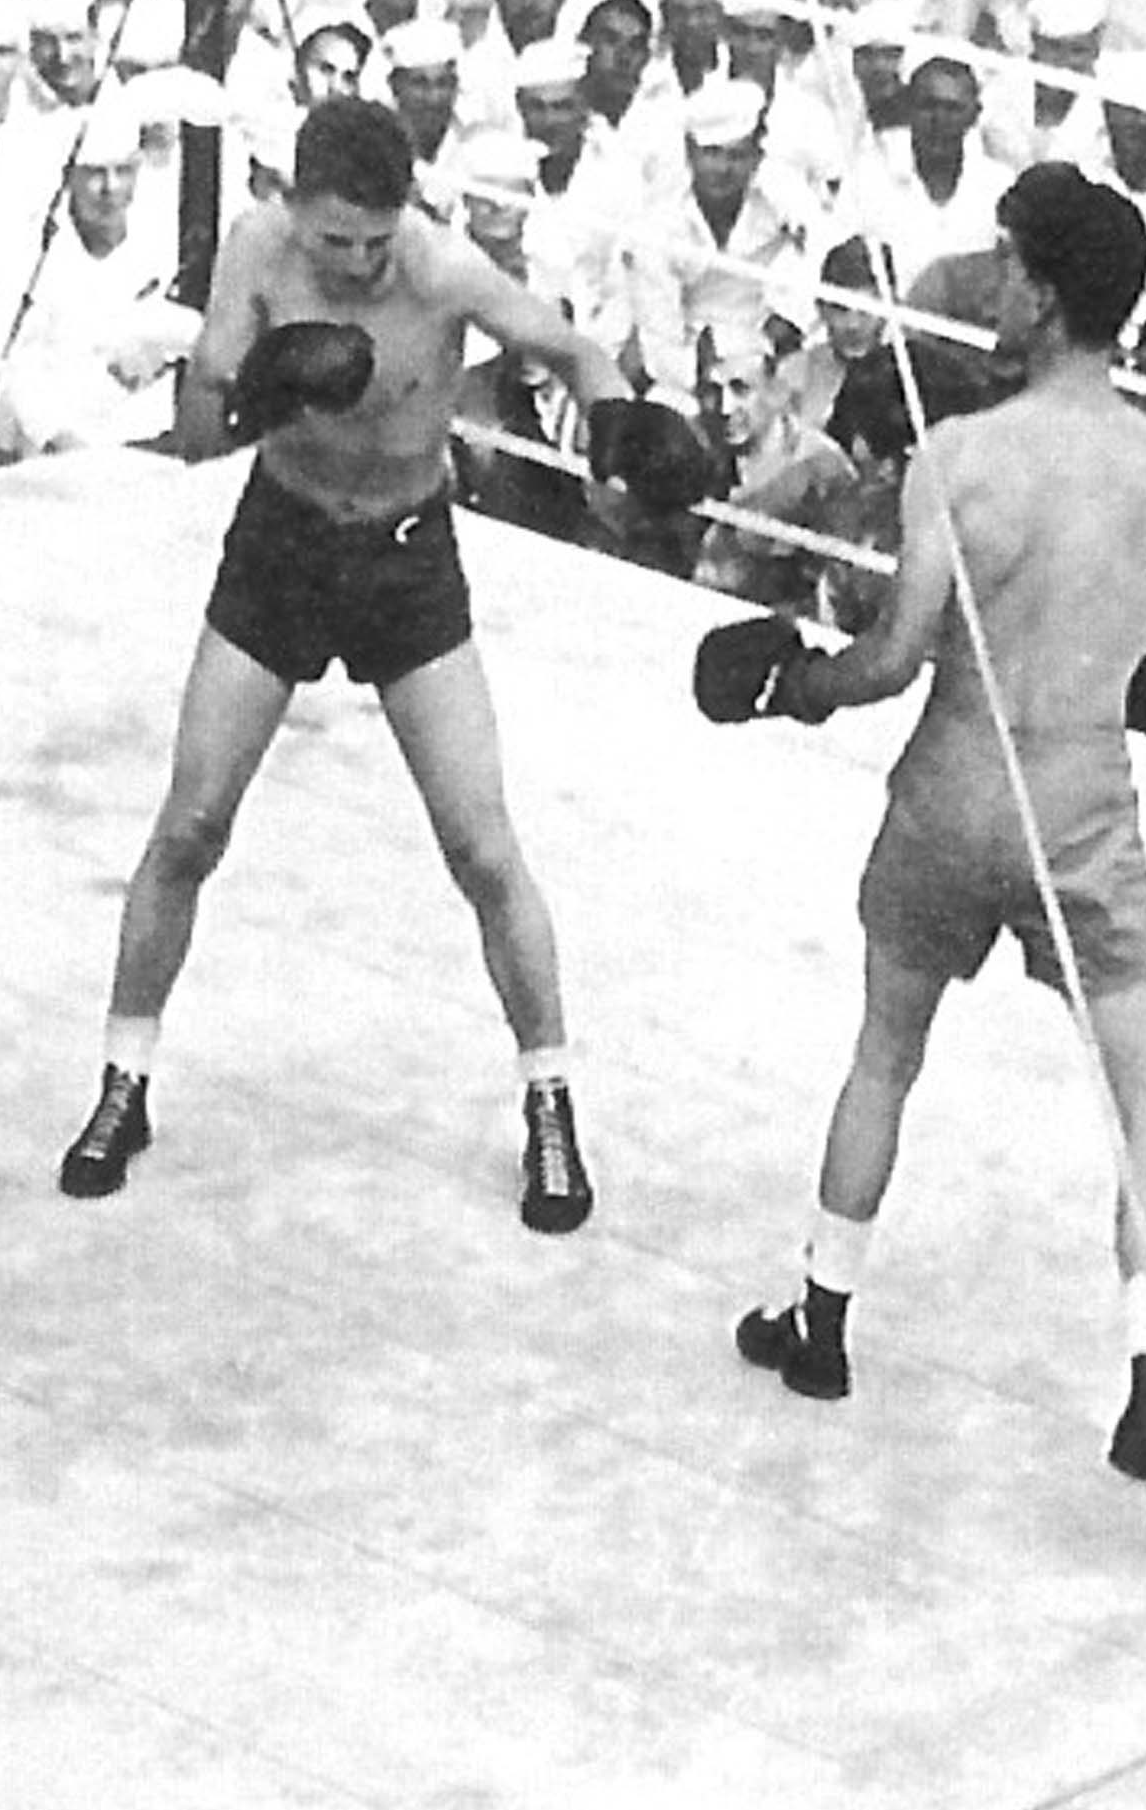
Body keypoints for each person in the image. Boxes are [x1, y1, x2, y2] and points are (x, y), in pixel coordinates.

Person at [702, 159, 1146, 1534]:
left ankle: (822, 1315)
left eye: (1011, 266)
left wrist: (794, 686)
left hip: (953, 788)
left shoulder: (964, 458)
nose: (995, 288)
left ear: (1048, 290)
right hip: (1082, 807)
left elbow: (891, 663)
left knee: (887, 1051)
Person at [57, 89, 686, 1228]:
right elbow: (200, 442)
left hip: (405, 555)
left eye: (371, 241)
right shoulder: (255, 250)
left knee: (484, 847)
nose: (351, 263)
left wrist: (620, 424)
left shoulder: (441, 273)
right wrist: (253, 384)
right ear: (293, 209)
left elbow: (577, 348)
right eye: (331, 240)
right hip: (283, 538)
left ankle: (550, 1102)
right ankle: (123, 1079)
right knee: (190, 823)